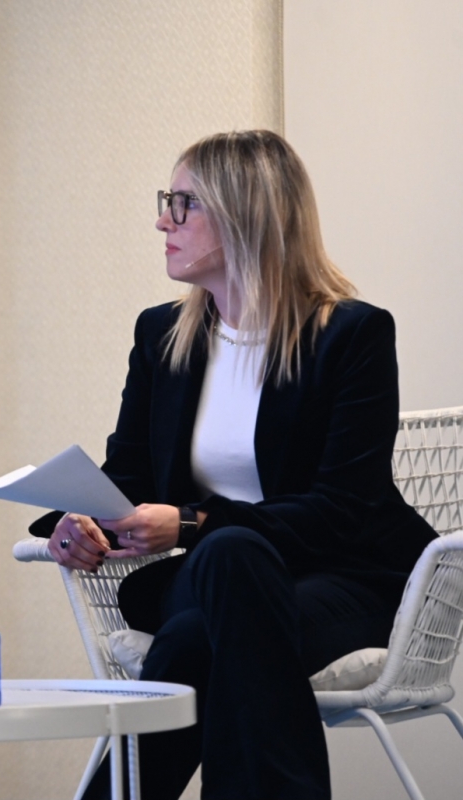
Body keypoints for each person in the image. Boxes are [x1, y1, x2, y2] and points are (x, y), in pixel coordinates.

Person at [32, 130, 436, 799]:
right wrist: (75, 522)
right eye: (168, 202)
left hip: (344, 577)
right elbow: (128, 473)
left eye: (184, 204)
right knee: (230, 562)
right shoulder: (162, 336)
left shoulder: (351, 336)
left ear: (247, 214)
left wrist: (191, 526)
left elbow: (344, 506)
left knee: (201, 626)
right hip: (219, 576)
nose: (163, 220)